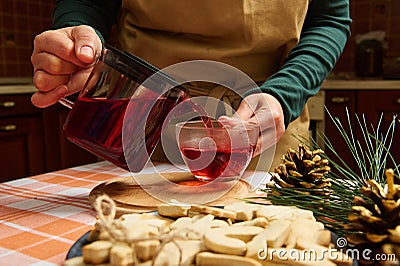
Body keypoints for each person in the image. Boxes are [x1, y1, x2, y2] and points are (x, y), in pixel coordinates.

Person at [30, 0, 351, 171]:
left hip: (266, 133)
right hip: (141, 121)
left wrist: (284, 94)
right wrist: (76, 36)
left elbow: (329, 19)